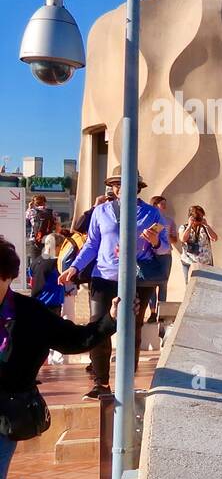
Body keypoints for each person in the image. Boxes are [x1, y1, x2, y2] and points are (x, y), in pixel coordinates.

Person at [0, 236, 120, 479]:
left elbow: (75, 340)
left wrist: (108, 320)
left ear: (7, 278)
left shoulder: (31, 315)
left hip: (7, 416)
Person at [58, 167, 167, 400]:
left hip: (139, 279)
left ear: (136, 187)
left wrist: (156, 241)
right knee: (99, 326)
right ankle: (101, 383)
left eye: (123, 182)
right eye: (115, 183)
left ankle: (127, 381)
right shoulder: (101, 211)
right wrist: (74, 267)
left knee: (133, 329)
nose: (118, 187)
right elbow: (91, 244)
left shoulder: (151, 213)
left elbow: (165, 247)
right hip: (103, 276)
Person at [145, 195, 180, 323]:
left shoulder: (169, 221)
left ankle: (162, 312)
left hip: (165, 255)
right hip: (151, 254)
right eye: (162, 204)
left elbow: (175, 240)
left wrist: (165, 235)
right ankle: (153, 312)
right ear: (155, 205)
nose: (165, 206)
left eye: (165, 204)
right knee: (151, 284)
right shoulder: (148, 220)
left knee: (163, 283)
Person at [178, 205, 219, 283]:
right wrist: (190, 225)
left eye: (201, 216)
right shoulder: (183, 227)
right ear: (191, 217)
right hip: (189, 262)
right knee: (190, 285)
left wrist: (207, 226)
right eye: (198, 217)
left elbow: (215, 238)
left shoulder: (205, 228)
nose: (200, 219)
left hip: (205, 263)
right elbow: (183, 239)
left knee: (207, 285)